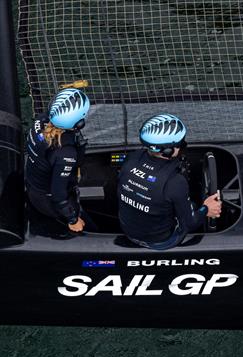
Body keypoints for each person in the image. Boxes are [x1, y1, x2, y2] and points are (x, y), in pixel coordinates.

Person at [118, 114, 221, 250]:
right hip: (160, 242)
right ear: (168, 150)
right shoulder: (175, 182)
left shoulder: (130, 160)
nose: (183, 146)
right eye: (181, 144)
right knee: (195, 207)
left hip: (129, 231)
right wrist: (207, 209)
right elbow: (189, 224)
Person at [25, 88, 95, 234]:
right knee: (92, 229)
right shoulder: (65, 154)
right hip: (48, 201)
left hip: (34, 186)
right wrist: (73, 219)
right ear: (79, 123)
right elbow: (58, 194)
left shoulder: (40, 120)